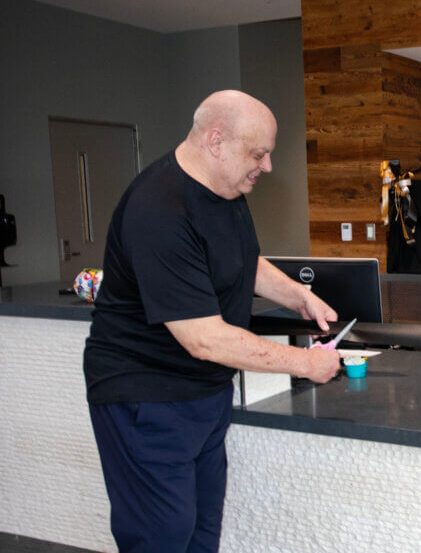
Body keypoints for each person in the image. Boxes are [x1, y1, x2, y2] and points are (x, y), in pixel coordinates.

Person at [84, 90, 342, 552]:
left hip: (204, 394)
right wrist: (304, 364)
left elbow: (244, 260)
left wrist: (298, 296)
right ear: (216, 141)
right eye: (258, 154)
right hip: (146, 397)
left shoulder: (228, 189)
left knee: (202, 531)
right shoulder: (158, 209)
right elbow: (204, 338)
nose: (266, 167)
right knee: (161, 537)